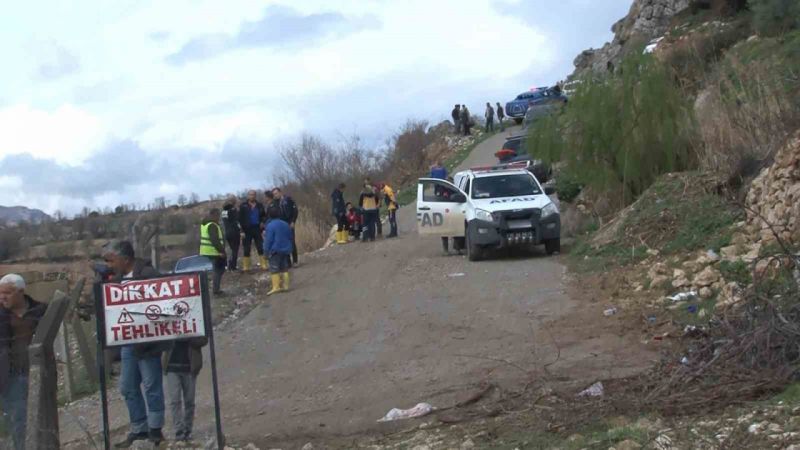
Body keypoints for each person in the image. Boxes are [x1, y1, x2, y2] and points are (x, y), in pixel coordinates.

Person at [102, 240, 167, 447]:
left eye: (111, 260)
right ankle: (139, 429)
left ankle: (155, 430)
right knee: (128, 386)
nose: (109, 265)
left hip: (148, 341)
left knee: (151, 385)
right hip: (128, 341)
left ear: (125, 259)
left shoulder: (148, 273)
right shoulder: (118, 280)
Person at [0, 274, 46, 450]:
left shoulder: (39, 310)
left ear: (20, 292)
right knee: (17, 420)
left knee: (39, 417)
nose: (2, 297)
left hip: (36, 371)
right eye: (0, 293)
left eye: (7, 293)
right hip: (8, 376)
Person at [162, 335, 207, 443]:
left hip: (189, 366)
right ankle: (179, 431)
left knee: (189, 401)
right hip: (171, 366)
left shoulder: (194, 320)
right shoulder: (167, 319)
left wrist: (188, 337)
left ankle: (187, 429)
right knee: (175, 400)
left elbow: (203, 340)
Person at [263, 207, 293, 295]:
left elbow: (268, 240)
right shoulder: (285, 224)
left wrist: (266, 252)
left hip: (275, 250)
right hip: (285, 249)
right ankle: (286, 286)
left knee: (274, 269)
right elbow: (290, 236)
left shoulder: (270, 225)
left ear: (269, 215)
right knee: (284, 268)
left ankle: (276, 287)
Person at [237, 190, 266, 272]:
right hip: (246, 229)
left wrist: (263, 223)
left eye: (253, 195)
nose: (252, 196)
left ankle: (263, 264)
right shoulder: (243, 206)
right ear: (248, 196)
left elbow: (264, 215)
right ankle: (246, 267)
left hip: (257, 228)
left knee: (260, 246)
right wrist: (241, 231)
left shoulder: (259, 205)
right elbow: (239, 219)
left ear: (255, 196)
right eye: (250, 195)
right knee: (246, 248)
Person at [200, 208, 226, 295]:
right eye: (218, 215)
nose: (219, 217)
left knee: (218, 269)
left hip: (209, 251)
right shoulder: (212, 225)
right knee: (218, 270)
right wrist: (221, 251)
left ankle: (216, 288)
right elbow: (215, 240)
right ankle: (216, 290)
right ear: (214, 215)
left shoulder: (205, 223)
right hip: (214, 251)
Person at [272, 188, 299, 267]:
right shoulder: (274, 203)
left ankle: (295, 261)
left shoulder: (288, 199)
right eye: (274, 194)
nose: (275, 195)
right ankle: (288, 262)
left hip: (290, 223)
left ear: (280, 192)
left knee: (292, 242)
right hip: (281, 225)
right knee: (284, 243)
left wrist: (293, 221)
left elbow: (295, 211)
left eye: (276, 193)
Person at [221, 196, 241, 271]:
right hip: (234, 232)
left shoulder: (223, 211)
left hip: (227, 232)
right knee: (235, 249)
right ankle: (233, 266)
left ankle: (229, 264)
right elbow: (236, 221)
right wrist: (240, 230)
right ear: (234, 202)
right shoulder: (233, 210)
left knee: (232, 249)